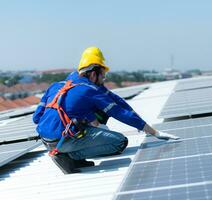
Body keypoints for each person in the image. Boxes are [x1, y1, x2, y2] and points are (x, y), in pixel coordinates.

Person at [33, 47, 179, 174]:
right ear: (93, 73)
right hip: (63, 141)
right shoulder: (89, 90)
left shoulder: (56, 85)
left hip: (46, 140)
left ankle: (68, 149)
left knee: (91, 112)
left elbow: (36, 118)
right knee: (119, 142)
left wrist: (82, 116)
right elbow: (119, 112)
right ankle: (70, 156)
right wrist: (154, 132)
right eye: (102, 74)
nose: (104, 79)